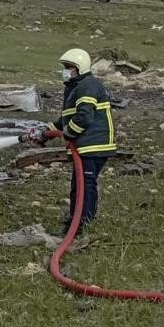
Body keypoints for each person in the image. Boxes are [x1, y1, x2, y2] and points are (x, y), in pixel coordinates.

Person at [31, 48, 117, 234]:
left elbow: (84, 118)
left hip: (93, 145)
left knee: (83, 186)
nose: (65, 70)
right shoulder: (75, 88)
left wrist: (68, 135)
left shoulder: (87, 86)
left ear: (79, 68)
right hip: (88, 145)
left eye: (69, 67)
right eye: (65, 67)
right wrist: (46, 133)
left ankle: (79, 225)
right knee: (84, 184)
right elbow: (66, 121)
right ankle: (83, 221)